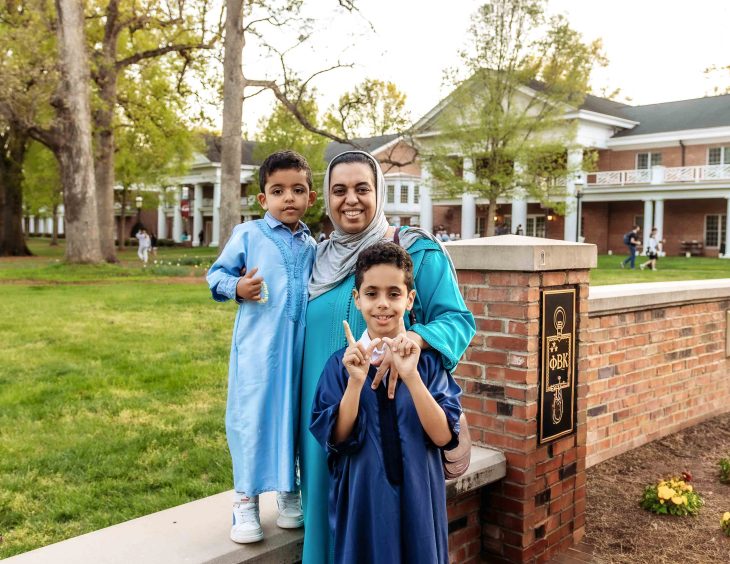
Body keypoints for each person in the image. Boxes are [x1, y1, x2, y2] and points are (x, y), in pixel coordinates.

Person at [300, 150, 475, 563]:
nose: (351, 200)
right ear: (326, 197)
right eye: (339, 190)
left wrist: (410, 343)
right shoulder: (317, 258)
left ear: (379, 192)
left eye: (363, 188)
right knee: (333, 528)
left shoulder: (414, 251)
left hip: (396, 421)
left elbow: (458, 322)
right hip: (331, 409)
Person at [310, 242, 461, 564]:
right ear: (357, 299)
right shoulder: (340, 365)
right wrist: (355, 383)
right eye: (372, 293)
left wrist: (412, 377)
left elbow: (443, 437)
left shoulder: (428, 364)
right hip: (364, 496)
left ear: (409, 300)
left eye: (393, 294)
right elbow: (335, 437)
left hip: (419, 494)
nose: (382, 304)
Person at [206, 150, 317, 544]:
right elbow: (214, 275)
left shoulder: (310, 244)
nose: (289, 198)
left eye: (297, 190)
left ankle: (288, 492)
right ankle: (246, 501)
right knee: (252, 419)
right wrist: (236, 287)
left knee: (293, 416)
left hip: (298, 352)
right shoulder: (249, 235)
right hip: (258, 352)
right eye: (278, 190)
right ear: (263, 198)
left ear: (310, 197)